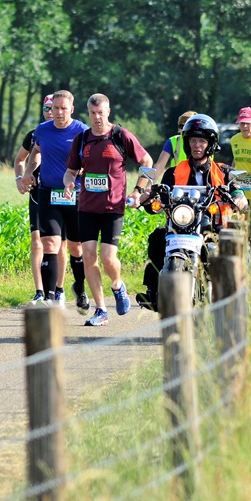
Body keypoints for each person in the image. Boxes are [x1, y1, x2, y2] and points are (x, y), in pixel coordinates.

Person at [136, 114, 246, 310]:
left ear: (210, 144)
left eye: (202, 141)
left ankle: (233, 296)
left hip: (213, 226)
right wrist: (149, 198)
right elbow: (161, 194)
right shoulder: (173, 172)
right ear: (187, 143)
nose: (197, 145)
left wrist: (239, 196)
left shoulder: (223, 171)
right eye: (193, 140)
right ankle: (153, 292)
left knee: (230, 246)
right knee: (157, 238)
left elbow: (237, 187)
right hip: (181, 226)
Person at [63, 93, 152, 326]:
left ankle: (117, 285)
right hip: (87, 207)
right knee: (89, 255)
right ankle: (101, 309)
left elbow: (147, 162)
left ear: (108, 112)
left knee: (108, 257)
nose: (97, 118)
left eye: (100, 113)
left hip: (113, 207)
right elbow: (71, 170)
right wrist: (68, 182)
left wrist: (137, 190)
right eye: (92, 114)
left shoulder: (120, 135)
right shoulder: (82, 139)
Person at [26, 90, 90, 311]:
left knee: (75, 247)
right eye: (56, 108)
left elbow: (91, 160)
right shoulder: (42, 131)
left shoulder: (82, 131)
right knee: (50, 245)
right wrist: (28, 172)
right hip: (49, 193)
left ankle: (80, 288)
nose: (60, 112)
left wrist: (82, 170)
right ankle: (51, 298)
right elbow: (35, 152)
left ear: (71, 109)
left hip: (75, 195)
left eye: (64, 108)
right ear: (50, 110)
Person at [14, 94, 67, 305]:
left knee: (60, 245)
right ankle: (39, 291)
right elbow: (20, 159)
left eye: (52, 108)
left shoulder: (70, 133)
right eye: (46, 108)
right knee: (37, 243)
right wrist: (20, 178)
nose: (49, 112)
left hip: (62, 194)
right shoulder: (35, 134)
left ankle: (59, 290)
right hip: (38, 193)